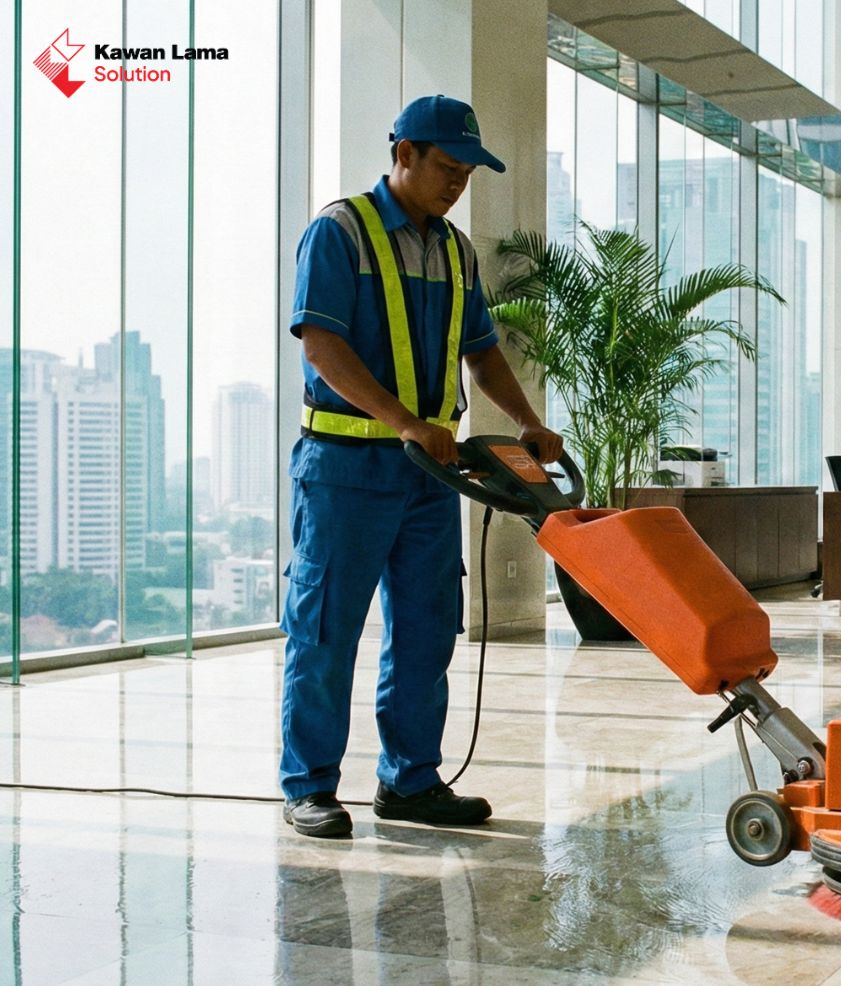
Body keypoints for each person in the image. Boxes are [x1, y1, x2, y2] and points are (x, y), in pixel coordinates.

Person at [279, 95, 563, 839]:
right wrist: (405, 422)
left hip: (431, 478)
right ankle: (310, 785)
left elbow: (482, 352)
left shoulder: (457, 251)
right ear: (402, 152)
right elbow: (321, 346)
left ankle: (409, 781)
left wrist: (528, 421)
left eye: (466, 172)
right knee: (325, 631)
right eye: (446, 167)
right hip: (345, 468)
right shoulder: (340, 234)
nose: (456, 184)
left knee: (428, 629)